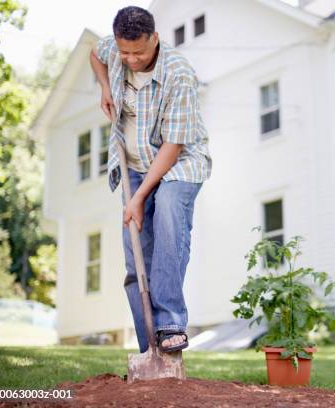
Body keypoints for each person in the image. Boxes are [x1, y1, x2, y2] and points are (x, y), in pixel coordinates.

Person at [89, 6, 211, 353]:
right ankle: (151, 348)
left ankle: (171, 322)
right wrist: (104, 88)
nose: (130, 59)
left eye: (138, 52)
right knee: (136, 255)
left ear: (155, 39)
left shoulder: (179, 74)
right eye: (124, 52)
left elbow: (173, 147)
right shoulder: (115, 49)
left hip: (179, 163)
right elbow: (94, 53)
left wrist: (138, 198)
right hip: (134, 163)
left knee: (170, 213)